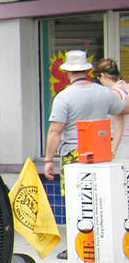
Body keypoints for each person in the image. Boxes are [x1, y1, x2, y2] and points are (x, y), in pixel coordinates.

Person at [43, 51, 127, 180]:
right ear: (87, 71)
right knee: (99, 195)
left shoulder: (63, 97)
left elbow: (55, 132)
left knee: (74, 196)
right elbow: (122, 109)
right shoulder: (104, 92)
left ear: (67, 72)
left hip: (74, 153)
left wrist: (48, 160)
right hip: (100, 154)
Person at [92, 58, 129, 157]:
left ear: (103, 75)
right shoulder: (125, 86)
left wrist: (113, 150)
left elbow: (119, 124)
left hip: (121, 144)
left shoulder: (115, 93)